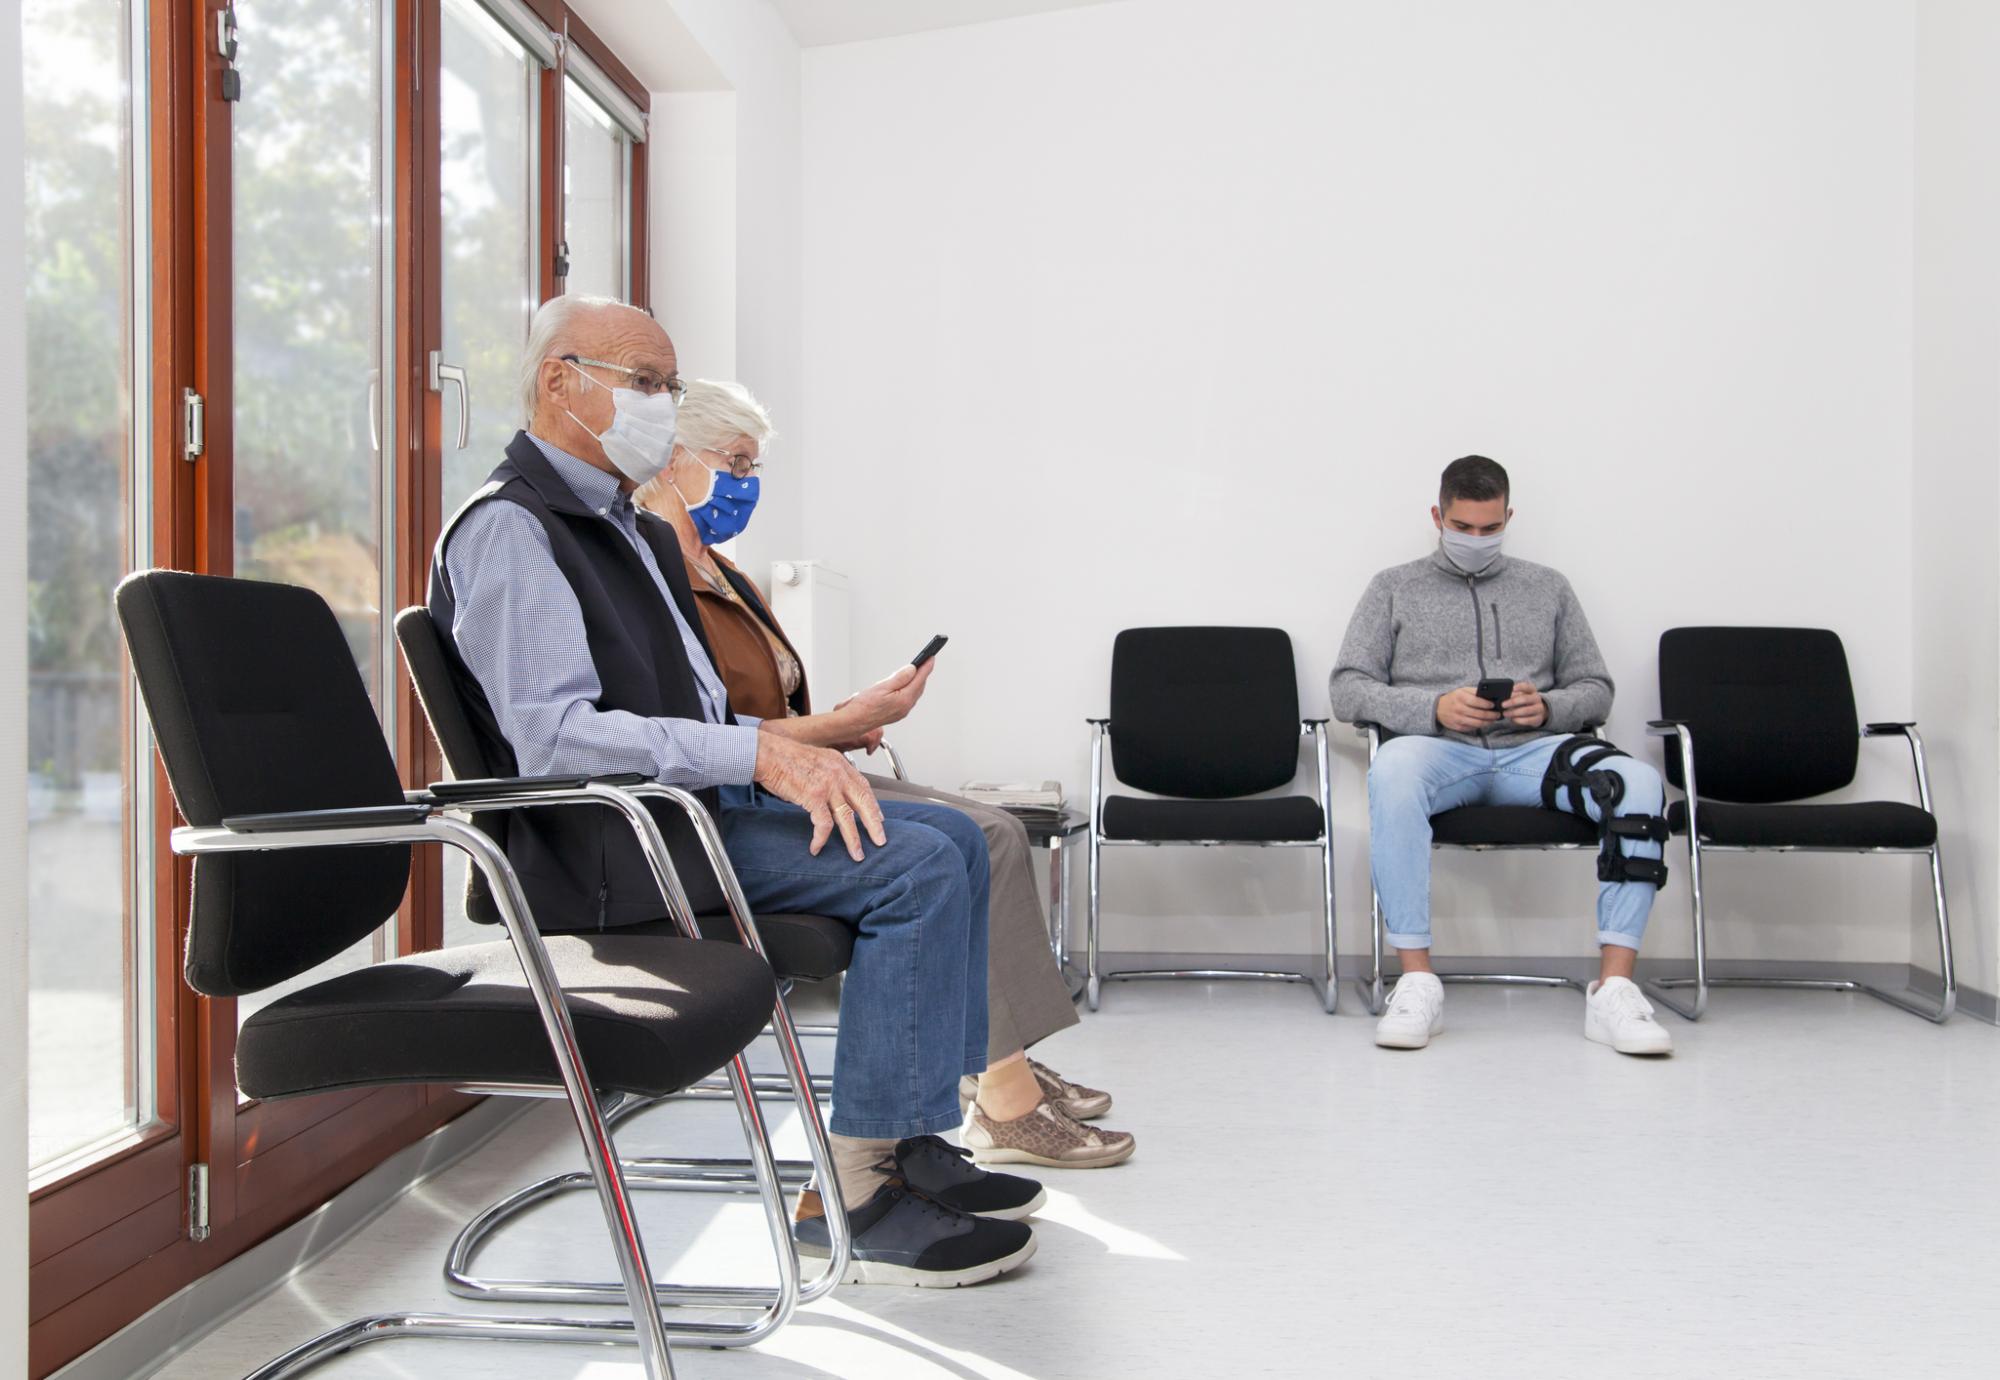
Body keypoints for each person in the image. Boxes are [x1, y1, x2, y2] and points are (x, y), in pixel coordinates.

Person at [429, 295, 1041, 1287]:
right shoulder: (511, 530)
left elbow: (695, 708)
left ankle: (911, 1138)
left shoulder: (617, 523)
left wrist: (787, 744)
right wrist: (758, 757)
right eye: (646, 384)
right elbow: (550, 737)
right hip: (608, 850)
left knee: (961, 841)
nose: (662, 408)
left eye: (666, 386)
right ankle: (852, 1194)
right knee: (917, 864)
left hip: (678, 819)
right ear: (559, 381)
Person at [634, 380, 1135, 1170]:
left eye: (753, 465)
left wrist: (846, 721)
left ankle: (994, 1065)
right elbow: (702, 738)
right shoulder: (651, 575)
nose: (746, 483)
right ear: (672, 458)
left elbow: (763, 713)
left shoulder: (725, 574)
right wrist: (829, 728)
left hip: (797, 768)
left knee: (997, 829)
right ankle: (997, 1093)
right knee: (965, 842)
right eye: (734, 462)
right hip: (745, 791)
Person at [1329, 455, 1674, 1057]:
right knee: (1393, 770)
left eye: (1490, 529)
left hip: (1535, 756)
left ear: (1509, 517)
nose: (1476, 540)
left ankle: (1614, 991)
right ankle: (1416, 980)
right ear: (1438, 516)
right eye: (1464, 527)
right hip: (1440, 754)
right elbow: (1347, 688)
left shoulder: (1548, 587)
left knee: (1639, 785)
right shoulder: (1392, 587)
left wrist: (1546, 708)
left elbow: (1596, 688)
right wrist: (1433, 708)